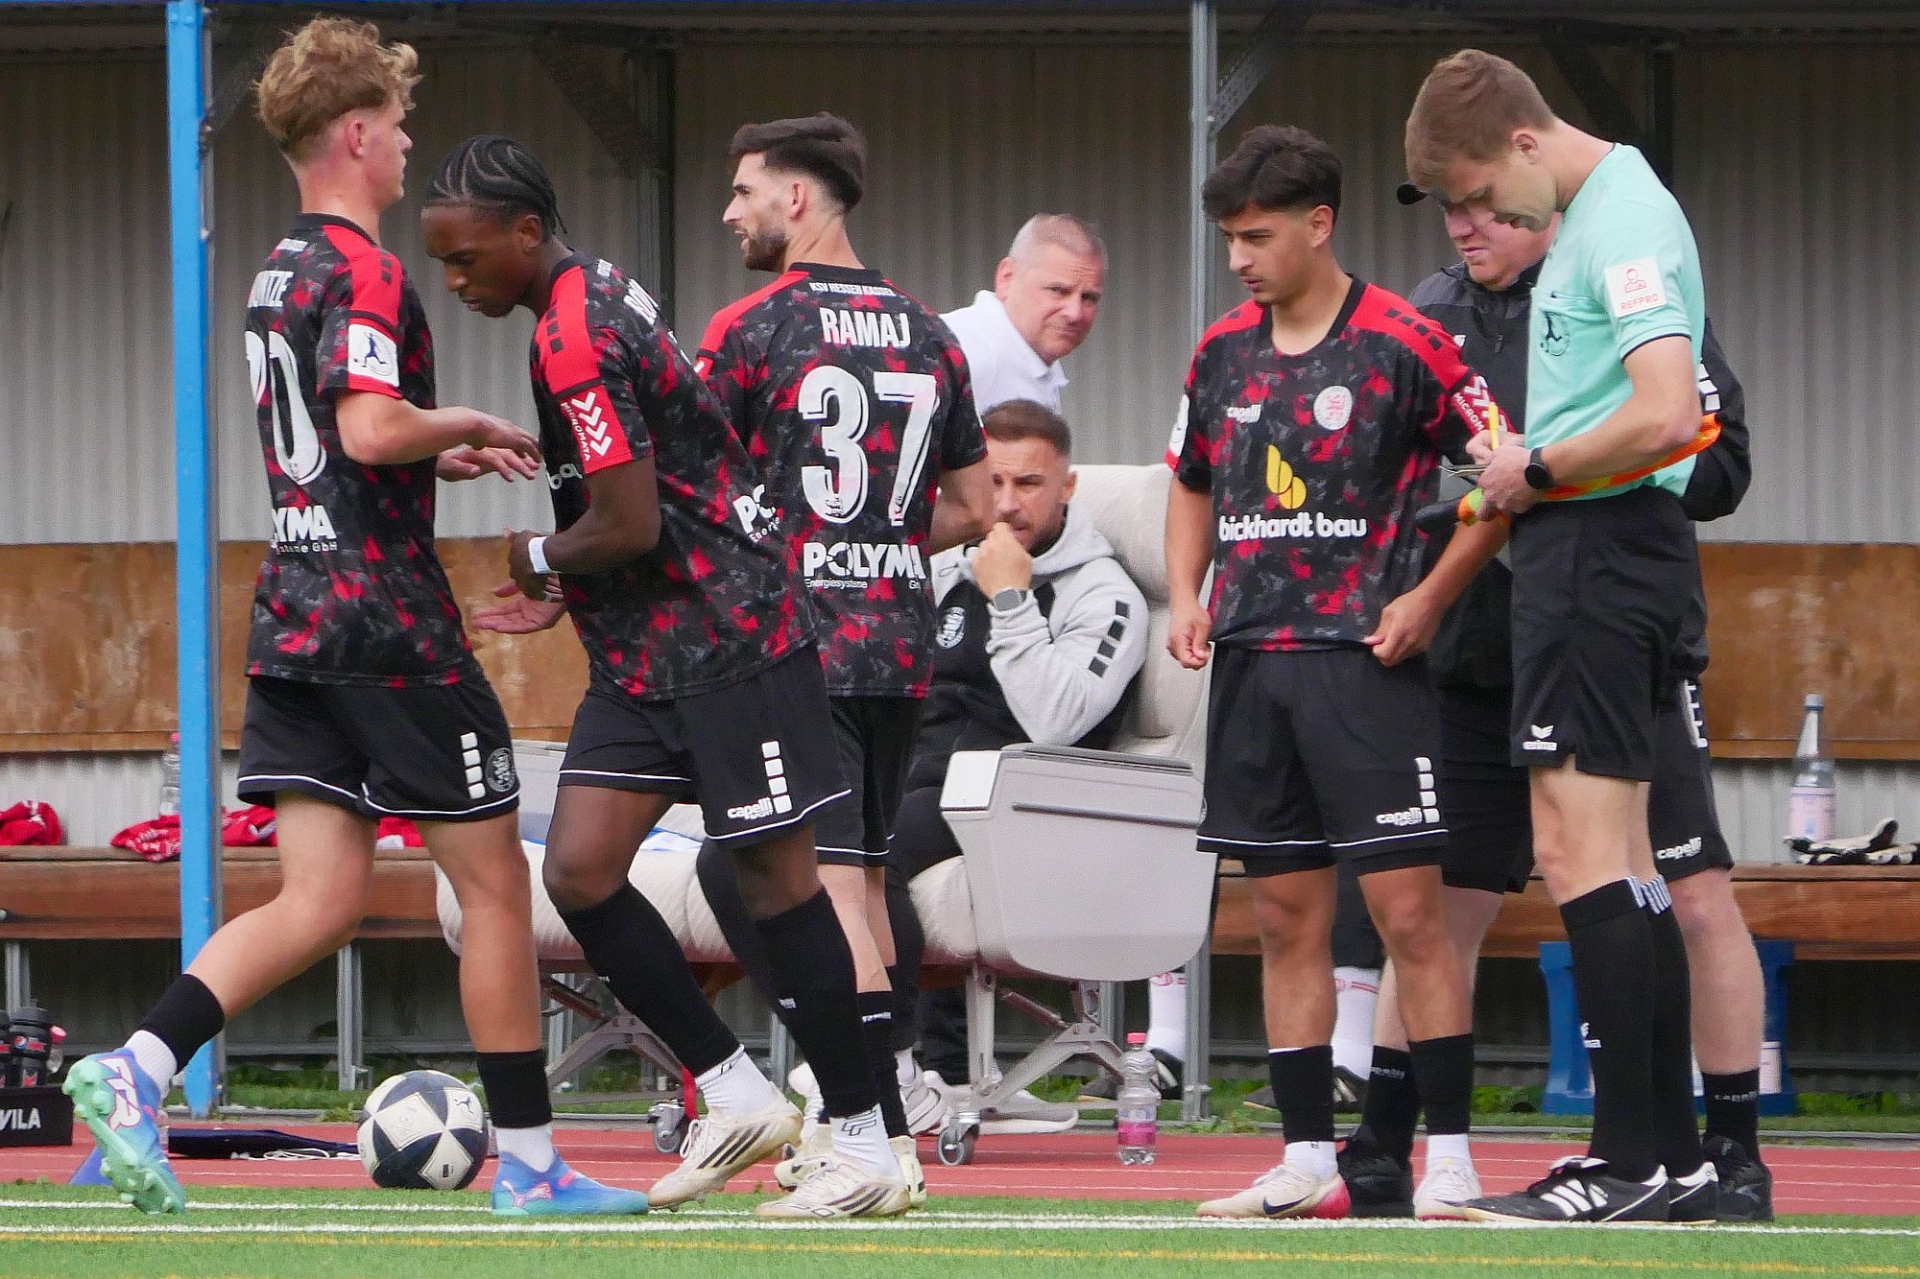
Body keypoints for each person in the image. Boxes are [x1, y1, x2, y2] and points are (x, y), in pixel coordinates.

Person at [61, 19, 642, 1219]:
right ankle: (533, 1166)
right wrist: (464, 419)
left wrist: (429, 451)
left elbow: (341, 439)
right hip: (386, 625)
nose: (412, 146)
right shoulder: (365, 270)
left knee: (318, 898)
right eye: (402, 124)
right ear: (360, 132)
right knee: (494, 890)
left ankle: (138, 1065)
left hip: (294, 611)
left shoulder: (275, 269)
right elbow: (371, 427)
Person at [422, 134, 909, 1220]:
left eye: (462, 258)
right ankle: (734, 1091)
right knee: (581, 869)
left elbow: (631, 519)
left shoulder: (575, 331)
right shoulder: (586, 294)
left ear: (525, 233)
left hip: (731, 638)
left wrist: (538, 555)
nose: (452, 281)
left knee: (782, 888)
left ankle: (867, 1144)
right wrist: (572, 580)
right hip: (647, 651)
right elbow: (641, 493)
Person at [1334, 186, 1770, 1222]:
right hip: (1474, 652)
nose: (1462, 225)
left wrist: (1559, 464)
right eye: (1448, 207)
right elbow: (1392, 480)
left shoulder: (1623, 287)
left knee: (1685, 887)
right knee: (1440, 907)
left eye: (1483, 204)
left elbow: (1720, 463)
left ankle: (1725, 1151)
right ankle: (1384, 1145)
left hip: (1606, 638)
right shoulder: (1430, 314)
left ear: (1539, 192)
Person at [1165, 124, 1510, 1221]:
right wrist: (1186, 591)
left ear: (1319, 224)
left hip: (1367, 671)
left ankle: (1450, 1159)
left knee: (1410, 916)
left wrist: (1428, 597)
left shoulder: (1409, 341)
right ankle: (1306, 1154)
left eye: (1257, 236)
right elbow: (1191, 478)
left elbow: (1506, 476)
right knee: (1281, 918)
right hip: (1252, 670)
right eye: (1230, 239)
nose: (1239, 259)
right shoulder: (1219, 351)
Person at [1403, 48, 1719, 1223]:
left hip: (1598, 552)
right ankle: (1673, 1159)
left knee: (1581, 854)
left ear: (1529, 141)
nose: (1481, 219)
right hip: (1603, 554)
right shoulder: (1595, 212)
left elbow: (1669, 409)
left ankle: (1623, 1162)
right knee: (1625, 862)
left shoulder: (1619, 223)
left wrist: (1530, 466)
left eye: (1487, 192)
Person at [685, 112, 994, 1205]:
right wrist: (880, 542)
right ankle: (868, 1134)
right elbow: (974, 507)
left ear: (798, 197)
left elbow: (692, 493)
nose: (730, 211)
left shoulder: (748, 328)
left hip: (797, 644)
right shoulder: (930, 330)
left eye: (744, 190)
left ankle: (865, 1136)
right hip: (900, 640)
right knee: (857, 887)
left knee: (817, 894)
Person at [873, 400, 1149, 1113]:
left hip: (1020, 798)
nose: (1006, 503)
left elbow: (1054, 721)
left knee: (871, 856)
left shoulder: (1106, 593)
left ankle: (887, 1067)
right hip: (916, 777)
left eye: (1028, 483)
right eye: (992, 482)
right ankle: (917, 1066)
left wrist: (1011, 601)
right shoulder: (948, 567)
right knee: (773, 848)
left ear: (1067, 487)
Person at [942, 215, 1105, 413]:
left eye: (1089, 298)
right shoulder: (968, 352)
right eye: (1057, 290)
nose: (1075, 313)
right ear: (1007, 278)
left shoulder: (1028, 354)